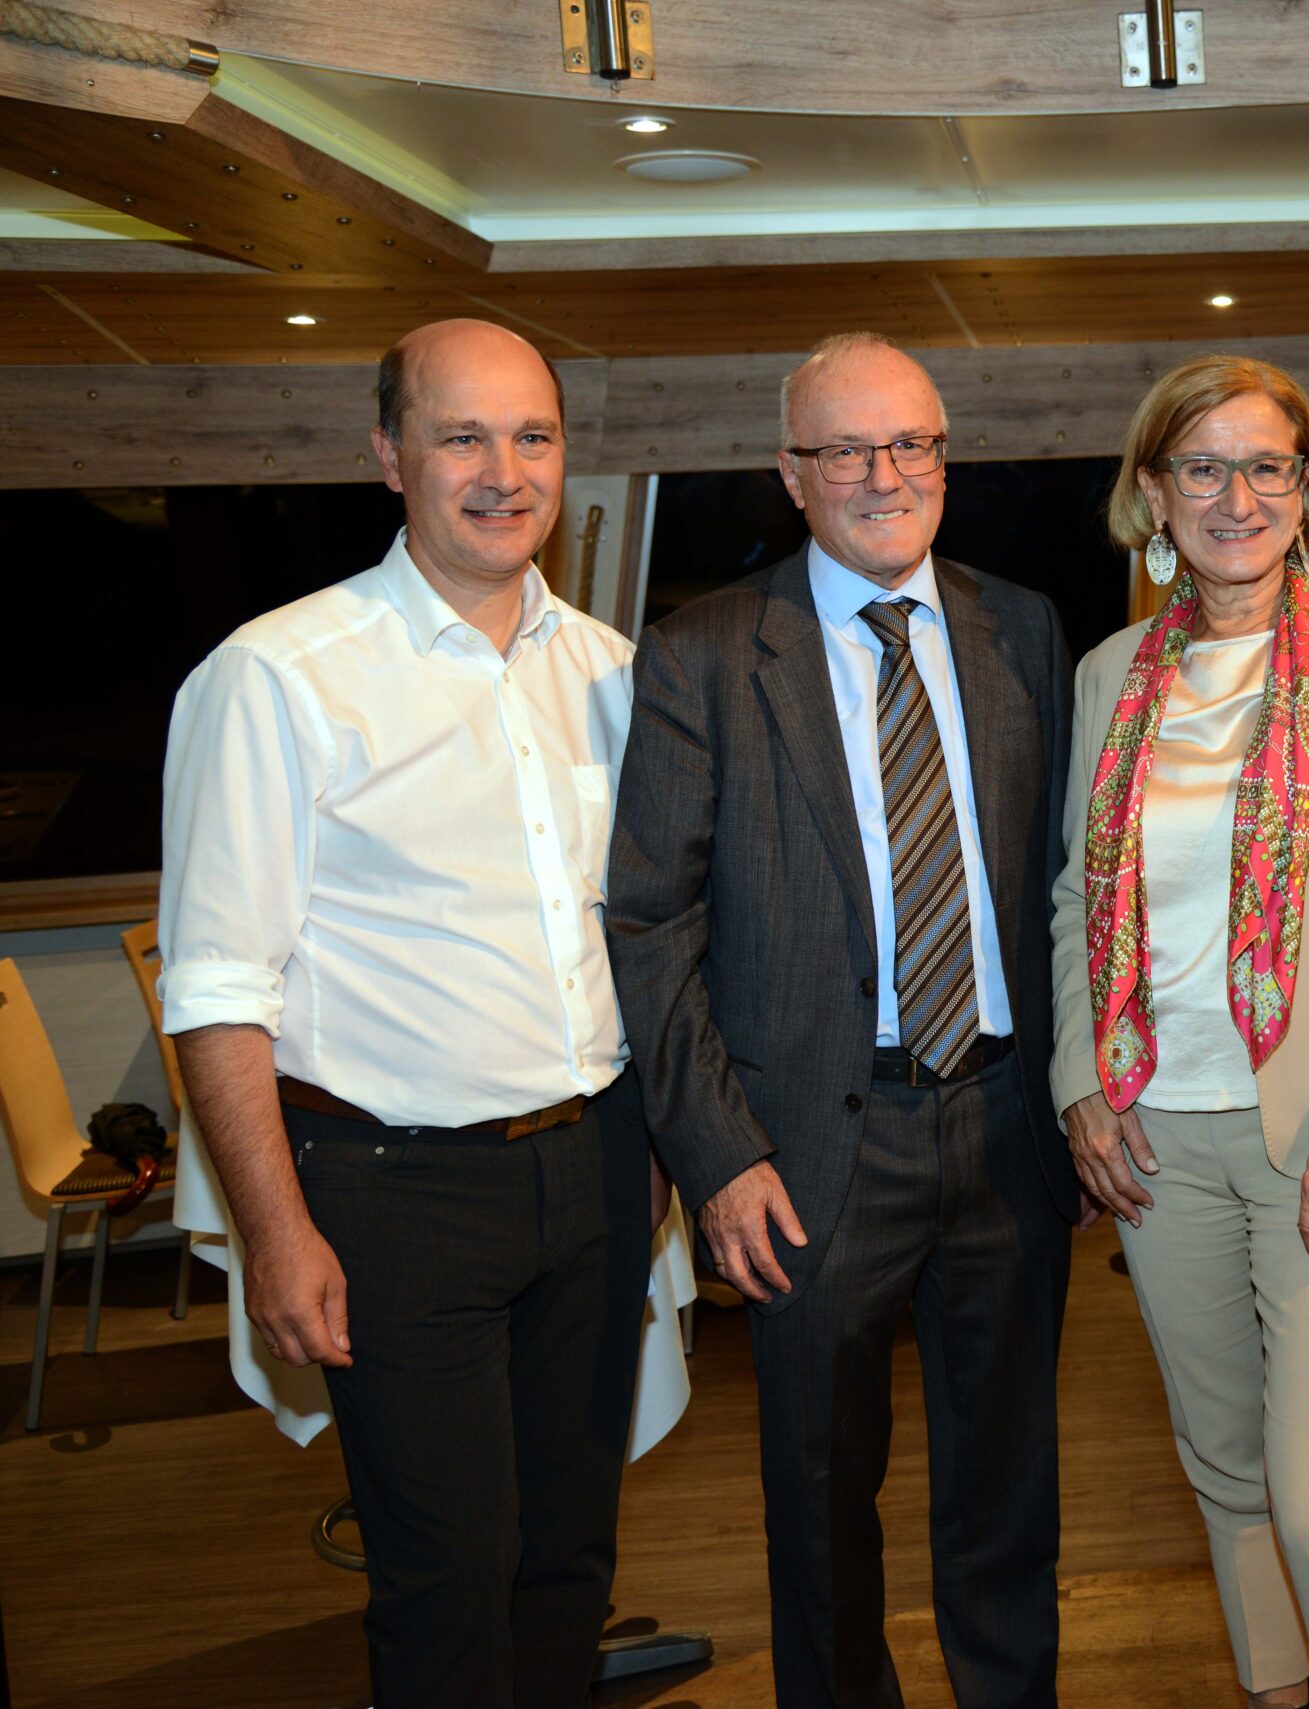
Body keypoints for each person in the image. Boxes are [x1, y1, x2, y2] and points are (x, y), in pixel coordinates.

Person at [157, 318, 663, 1707]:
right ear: (391, 455)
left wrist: (660, 1160)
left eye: (533, 436)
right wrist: (275, 1231)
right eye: (463, 437)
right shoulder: (278, 675)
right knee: (450, 1577)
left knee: (567, 1557)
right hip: (392, 1192)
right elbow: (216, 988)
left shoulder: (611, 671)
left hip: (596, 1168)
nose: (504, 472)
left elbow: (647, 938)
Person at [606, 332, 1076, 1708]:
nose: (885, 475)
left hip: (1007, 1129)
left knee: (1008, 1489)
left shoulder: (1023, 630)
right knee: (819, 1500)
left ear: (945, 459)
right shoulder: (701, 655)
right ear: (792, 474)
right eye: (846, 450)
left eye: (911, 443)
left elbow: (1068, 879)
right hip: (808, 1151)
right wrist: (719, 1156)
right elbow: (650, 925)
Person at [1050, 355, 1309, 1709]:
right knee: (1226, 1468)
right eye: (1203, 468)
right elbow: (1078, 894)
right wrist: (1079, 1079)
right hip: (1157, 1136)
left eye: (1265, 466)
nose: (1236, 497)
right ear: (1154, 492)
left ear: (1307, 488)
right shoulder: (1110, 672)